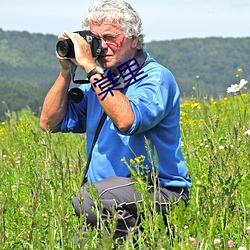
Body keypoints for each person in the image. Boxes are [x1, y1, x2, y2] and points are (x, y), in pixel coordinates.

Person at [40, 0, 192, 244]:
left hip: (160, 192)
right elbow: (49, 123)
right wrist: (66, 70)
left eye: (110, 37)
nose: (102, 47)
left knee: (88, 200)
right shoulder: (102, 82)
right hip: (110, 199)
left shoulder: (154, 78)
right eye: (96, 39)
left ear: (133, 39)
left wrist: (90, 67)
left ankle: (146, 241)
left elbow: (126, 120)